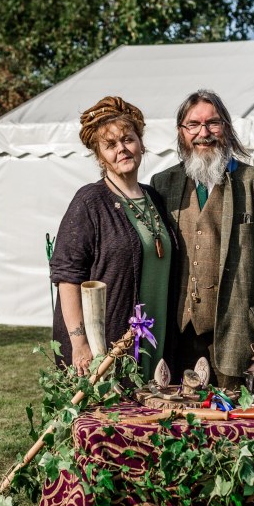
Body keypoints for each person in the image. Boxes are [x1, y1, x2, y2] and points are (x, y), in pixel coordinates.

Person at [150, 89, 254, 388]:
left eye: (212, 123)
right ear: (181, 132)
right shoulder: (162, 185)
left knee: (235, 413)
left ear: (226, 127)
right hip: (177, 333)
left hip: (238, 330)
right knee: (177, 411)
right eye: (193, 124)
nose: (203, 133)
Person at [49, 95, 176, 380]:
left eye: (128, 139)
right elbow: (67, 277)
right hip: (107, 344)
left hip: (155, 338)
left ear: (141, 144)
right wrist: (80, 344)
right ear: (99, 156)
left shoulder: (154, 198)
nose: (122, 149)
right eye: (110, 145)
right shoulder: (90, 201)